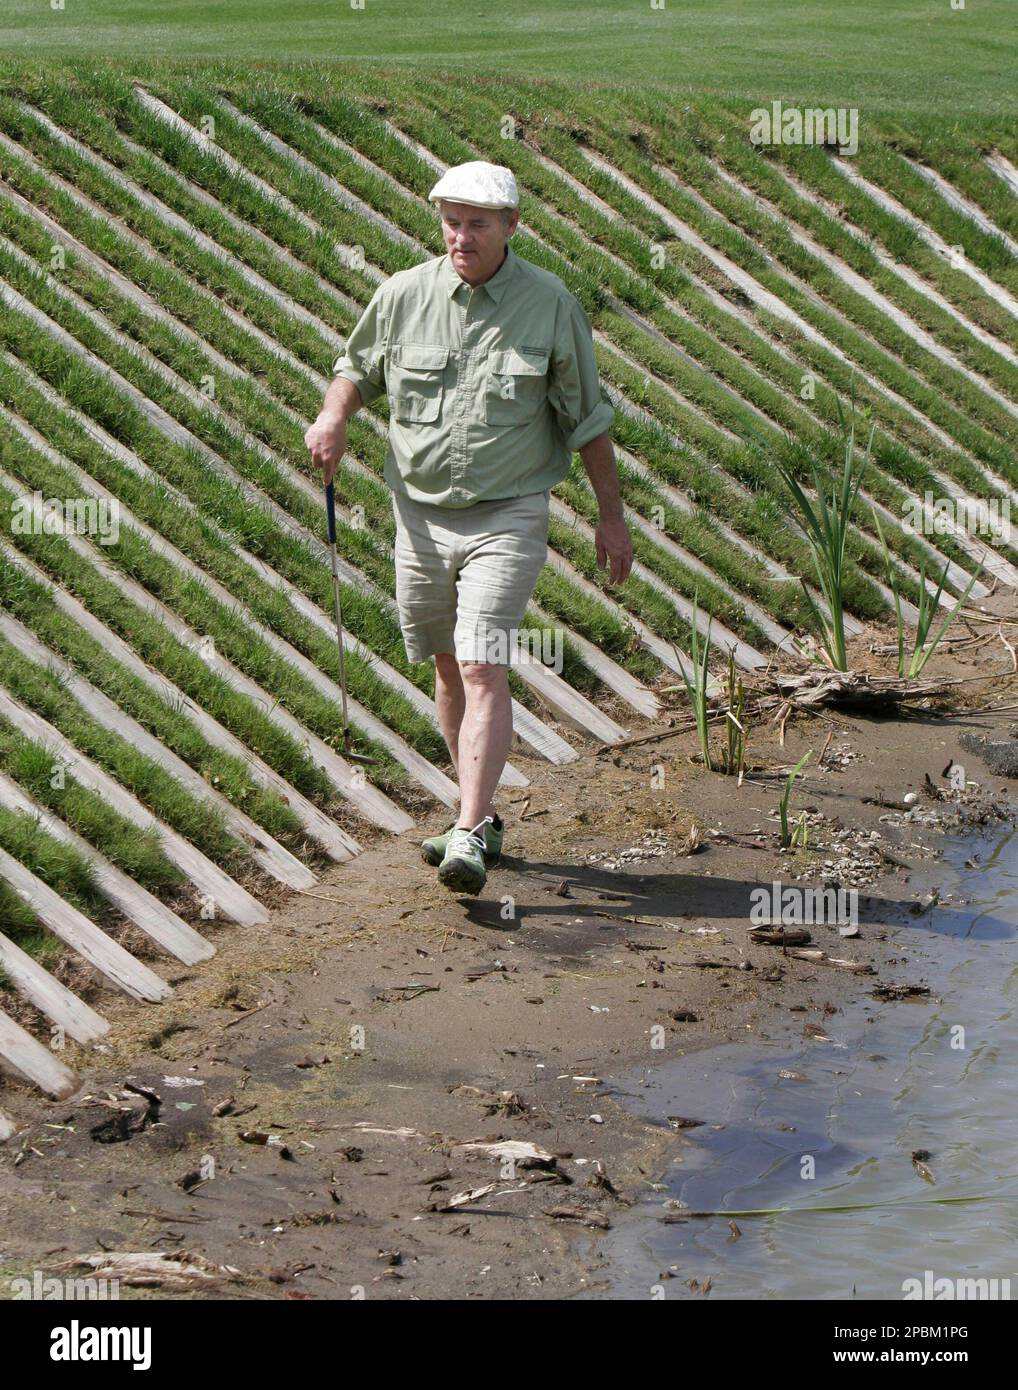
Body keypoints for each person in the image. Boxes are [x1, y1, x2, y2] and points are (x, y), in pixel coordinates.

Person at [305, 159, 632, 894]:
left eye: (477, 224)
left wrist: (612, 520)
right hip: (418, 516)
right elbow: (356, 368)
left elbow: (589, 422)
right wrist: (333, 415)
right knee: (447, 665)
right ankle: (475, 819)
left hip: (508, 513)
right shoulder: (402, 295)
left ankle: (466, 831)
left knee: (483, 661)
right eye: (451, 222)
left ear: (512, 227)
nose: (461, 236)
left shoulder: (551, 307)